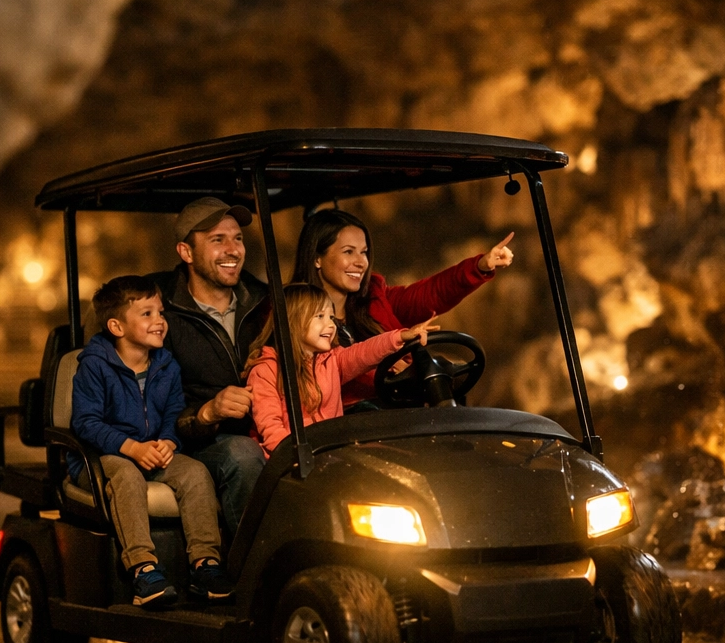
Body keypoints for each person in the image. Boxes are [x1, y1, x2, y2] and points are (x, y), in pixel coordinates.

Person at [70, 276, 232, 608]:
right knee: (127, 477)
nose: (159, 321)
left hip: (152, 452)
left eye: (160, 312)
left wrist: (169, 442)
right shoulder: (95, 366)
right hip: (104, 458)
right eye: (147, 314)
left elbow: (174, 411)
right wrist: (130, 447)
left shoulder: (165, 366)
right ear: (116, 326)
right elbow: (86, 423)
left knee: (195, 473)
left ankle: (205, 564)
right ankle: (143, 568)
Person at [290, 209, 515, 407]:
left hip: (397, 413)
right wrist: (385, 372)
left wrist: (479, 266)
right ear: (317, 258)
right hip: (344, 423)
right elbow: (322, 372)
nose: (361, 262)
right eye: (349, 252)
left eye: (364, 252)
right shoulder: (293, 313)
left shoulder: (375, 299)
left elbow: (430, 295)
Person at [148, 197, 269, 537]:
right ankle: (253, 573)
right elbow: (150, 410)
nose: (233, 250)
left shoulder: (265, 301)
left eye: (238, 239)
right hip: (195, 442)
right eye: (218, 240)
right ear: (186, 252)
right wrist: (208, 412)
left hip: (268, 428)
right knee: (243, 454)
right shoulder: (160, 315)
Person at [245, 284, 438, 456]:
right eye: (320, 316)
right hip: (292, 461)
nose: (330, 325)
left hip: (329, 452)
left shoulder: (331, 360)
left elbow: (365, 352)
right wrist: (302, 454)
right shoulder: (266, 369)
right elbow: (271, 429)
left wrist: (401, 337)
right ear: (292, 320)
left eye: (331, 317)